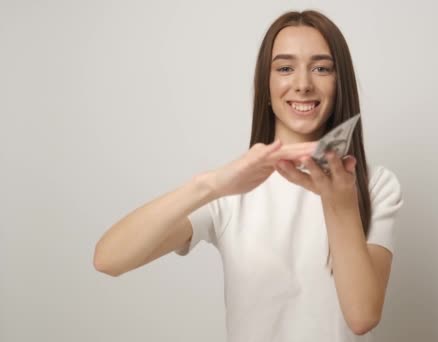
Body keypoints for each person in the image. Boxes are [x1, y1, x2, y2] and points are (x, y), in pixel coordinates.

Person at [94, 9, 403, 342]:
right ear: (265, 85)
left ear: (339, 81)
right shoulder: (232, 187)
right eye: (285, 68)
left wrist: (340, 203)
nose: (302, 84)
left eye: (321, 68)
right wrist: (209, 185)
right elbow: (109, 259)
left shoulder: (376, 184)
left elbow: (362, 316)